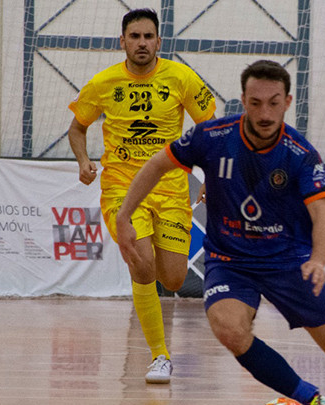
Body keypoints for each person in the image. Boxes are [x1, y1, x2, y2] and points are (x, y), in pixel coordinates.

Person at [114, 60, 325, 405]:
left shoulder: (300, 154)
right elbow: (157, 163)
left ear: (288, 101)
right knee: (229, 329)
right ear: (243, 101)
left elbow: (322, 214)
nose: (265, 113)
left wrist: (319, 260)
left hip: (289, 260)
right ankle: (311, 399)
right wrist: (123, 215)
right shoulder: (213, 136)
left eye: (274, 103)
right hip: (230, 260)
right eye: (255, 103)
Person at [68, 8, 216, 384]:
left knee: (174, 277)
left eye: (148, 36)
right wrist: (83, 161)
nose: (142, 43)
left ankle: (161, 347)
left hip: (170, 190)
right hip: (121, 189)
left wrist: (213, 175)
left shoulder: (180, 77)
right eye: (134, 36)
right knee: (142, 263)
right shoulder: (103, 84)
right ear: (122, 41)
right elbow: (77, 128)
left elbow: (211, 128)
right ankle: (159, 356)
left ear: (158, 42)